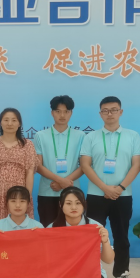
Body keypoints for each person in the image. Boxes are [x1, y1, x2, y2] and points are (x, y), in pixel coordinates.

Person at [81, 96, 140, 278]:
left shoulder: (133, 136)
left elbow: (136, 165)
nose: (110, 114)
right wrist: (105, 188)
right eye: (105, 110)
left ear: (120, 112)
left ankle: (121, 274)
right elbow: (85, 165)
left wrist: (120, 188)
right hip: (96, 195)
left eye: (114, 110)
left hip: (122, 195)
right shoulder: (91, 137)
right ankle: (91, 273)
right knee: (92, 236)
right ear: (100, 114)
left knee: (121, 236)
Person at [49, 187, 114, 278]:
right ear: (61, 205)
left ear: (84, 204)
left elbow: (109, 259)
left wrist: (105, 241)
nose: (73, 207)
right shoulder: (52, 228)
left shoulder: (94, 227)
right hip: (62, 275)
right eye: (68, 203)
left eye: (78, 203)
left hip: (90, 274)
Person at [35, 96, 85, 227]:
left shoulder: (80, 136)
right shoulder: (40, 136)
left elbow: (84, 166)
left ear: (71, 113)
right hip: (47, 191)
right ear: (52, 113)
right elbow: (38, 165)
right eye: (58, 111)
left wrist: (65, 182)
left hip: (73, 193)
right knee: (48, 229)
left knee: (73, 231)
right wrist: (61, 181)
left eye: (66, 111)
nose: (62, 115)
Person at [0, 109, 38, 230]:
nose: (9, 123)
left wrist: (27, 195)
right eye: (6, 120)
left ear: (19, 124)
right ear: (0, 122)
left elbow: (30, 171)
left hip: (20, 191)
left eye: (14, 120)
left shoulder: (27, 144)